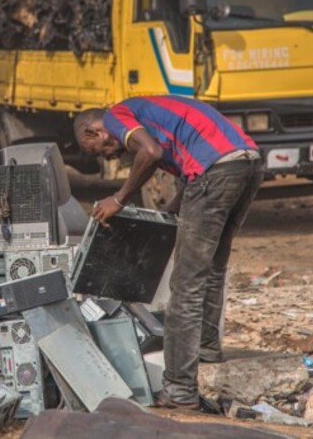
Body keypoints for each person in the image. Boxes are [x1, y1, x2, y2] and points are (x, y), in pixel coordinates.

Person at [73, 95, 263, 409]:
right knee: (213, 267)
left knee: (186, 284)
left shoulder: (115, 116)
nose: (110, 155)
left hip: (216, 171)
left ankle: (179, 391)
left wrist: (119, 199)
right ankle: (206, 350)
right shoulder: (152, 115)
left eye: (100, 149)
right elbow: (192, 173)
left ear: (94, 132)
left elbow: (151, 152)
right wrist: (170, 213)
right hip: (247, 163)